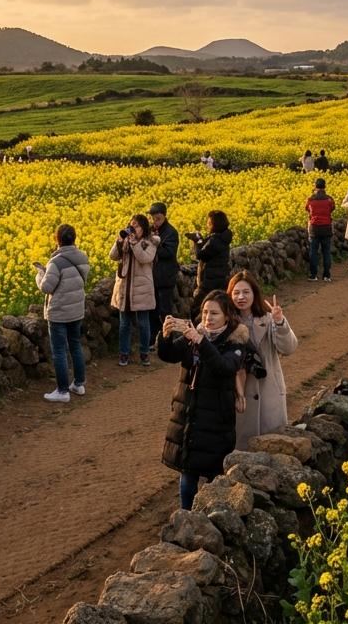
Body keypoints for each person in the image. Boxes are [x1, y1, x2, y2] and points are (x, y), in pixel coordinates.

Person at [159, 291, 249, 509]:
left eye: (214, 313)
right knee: (187, 475)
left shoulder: (235, 341)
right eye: (205, 312)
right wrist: (165, 337)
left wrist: (201, 342)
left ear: (227, 316)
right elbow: (169, 355)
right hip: (190, 416)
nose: (208, 317)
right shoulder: (195, 335)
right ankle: (186, 517)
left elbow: (224, 367)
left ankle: (211, 517)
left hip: (216, 420)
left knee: (214, 476)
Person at [227, 271, 298, 449]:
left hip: (269, 393)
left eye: (246, 292)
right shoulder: (226, 323)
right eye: (236, 293)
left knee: (273, 448)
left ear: (254, 294)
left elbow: (289, 348)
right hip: (240, 396)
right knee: (241, 452)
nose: (241, 297)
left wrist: (280, 322)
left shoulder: (269, 319)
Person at [37, 223, 90, 402]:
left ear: (57, 240)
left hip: (59, 313)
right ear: (74, 238)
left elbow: (46, 287)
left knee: (59, 351)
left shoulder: (56, 262)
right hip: (76, 309)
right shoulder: (83, 257)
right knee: (75, 345)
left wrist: (40, 275)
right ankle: (79, 384)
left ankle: (62, 391)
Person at [109, 213, 159, 366]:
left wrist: (135, 243)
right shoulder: (126, 240)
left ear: (143, 228)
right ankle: (124, 354)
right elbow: (112, 256)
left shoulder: (150, 242)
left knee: (143, 323)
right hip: (125, 287)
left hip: (141, 288)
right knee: (124, 324)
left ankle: (144, 353)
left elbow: (145, 258)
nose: (133, 228)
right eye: (131, 225)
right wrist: (119, 241)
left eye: (136, 226)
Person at [188, 210, 233, 317]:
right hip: (219, 278)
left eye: (209, 223)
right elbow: (207, 248)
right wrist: (200, 240)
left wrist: (197, 240)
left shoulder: (216, 240)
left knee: (199, 307)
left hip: (211, 280)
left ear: (215, 224)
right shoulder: (222, 237)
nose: (207, 225)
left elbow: (201, 255)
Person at [148, 201, 180, 347]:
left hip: (165, 279)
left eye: (158, 219)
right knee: (152, 311)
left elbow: (168, 252)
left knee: (165, 311)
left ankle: (168, 340)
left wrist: (152, 244)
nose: (155, 222)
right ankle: (153, 340)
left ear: (164, 216)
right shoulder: (151, 230)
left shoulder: (171, 232)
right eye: (153, 218)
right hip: (152, 278)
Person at [305, 177, 336, 281]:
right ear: (324, 186)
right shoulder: (329, 199)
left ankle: (313, 275)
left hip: (314, 228)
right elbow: (332, 208)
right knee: (326, 252)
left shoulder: (310, 199)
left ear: (315, 186)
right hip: (326, 228)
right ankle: (327, 275)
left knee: (313, 252)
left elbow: (307, 209)